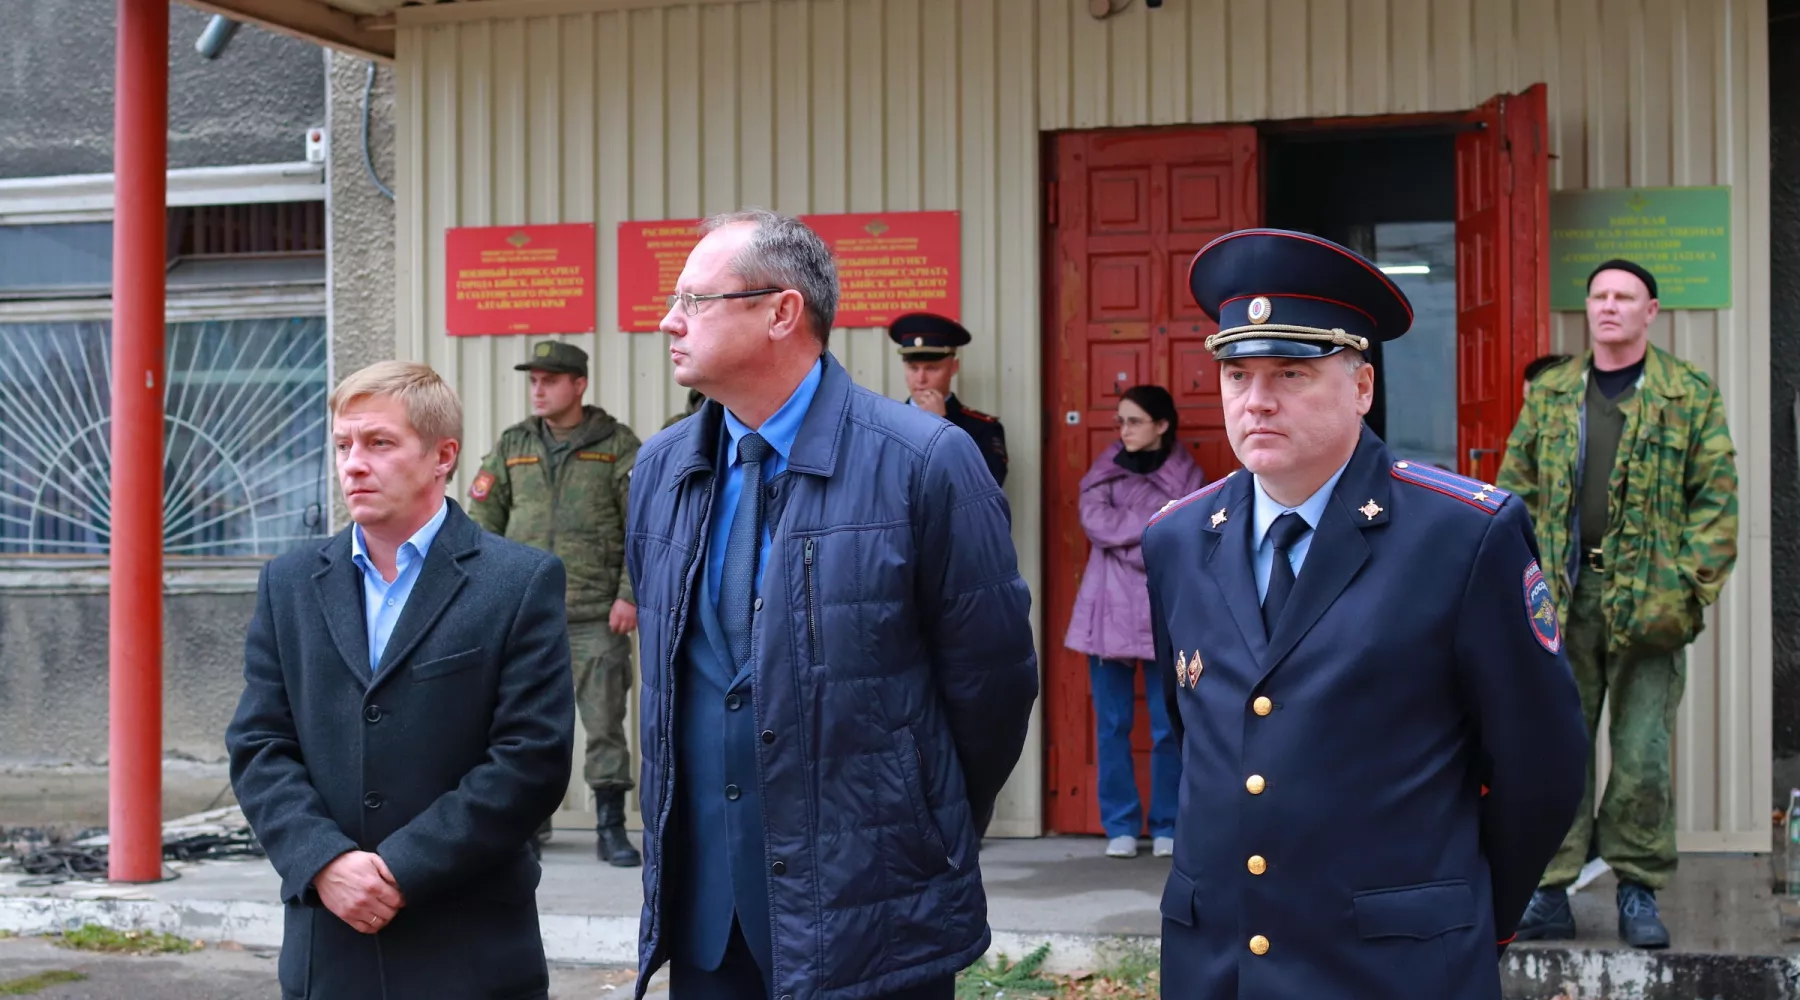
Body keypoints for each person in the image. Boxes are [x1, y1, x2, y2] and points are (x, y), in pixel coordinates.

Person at [1143, 229, 1588, 999]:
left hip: (1393, 967)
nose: (1257, 401)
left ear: (1361, 387)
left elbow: (1540, 768)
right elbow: (1198, 738)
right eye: (1238, 374)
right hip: (1219, 966)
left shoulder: (1464, 536)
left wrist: (1468, 913)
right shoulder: (1177, 539)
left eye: (1291, 373)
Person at [627, 209, 1039, 1000]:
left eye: (696, 300)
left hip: (871, 916)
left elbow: (991, 688)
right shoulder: (663, 468)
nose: (668, 320)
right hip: (709, 922)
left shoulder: (924, 461)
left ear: (782, 312)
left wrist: (920, 824)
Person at [226, 361, 575, 1000]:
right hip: (329, 949)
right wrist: (325, 862)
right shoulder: (290, 583)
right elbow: (259, 745)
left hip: (468, 946)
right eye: (342, 445)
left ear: (443, 456)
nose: (353, 464)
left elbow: (531, 759)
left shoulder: (517, 582)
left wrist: (399, 869)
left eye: (379, 443)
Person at [1500, 258, 1739, 949]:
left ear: (1650, 311)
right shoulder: (1550, 394)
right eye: (1599, 295)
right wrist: (1522, 586)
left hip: (1650, 602)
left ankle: (1637, 888)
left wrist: (1686, 592)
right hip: (1563, 599)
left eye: (1624, 297)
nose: (1609, 306)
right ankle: (1549, 891)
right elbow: (1516, 495)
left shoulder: (1687, 394)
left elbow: (1717, 503)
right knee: (1556, 747)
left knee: (1643, 753)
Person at [467, 339, 643, 868]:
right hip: (526, 617)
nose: (538, 390)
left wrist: (628, 595)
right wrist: (489, 595)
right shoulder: (513, 443)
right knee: (527, 726)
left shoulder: (617, 445)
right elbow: (484, 522)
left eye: (550, 380)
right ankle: (530, 825)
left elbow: (642, 528)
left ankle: (610, 827)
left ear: (578, 384)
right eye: (533, 380)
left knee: (605, 724)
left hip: (595, 614)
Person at [1063, 384, 1204, 860]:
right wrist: (1148, 525)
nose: (1123, 430)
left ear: (1162, 425)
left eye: (1134, 421)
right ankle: (1119, 824)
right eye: (1120, 421)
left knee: (1170, 727)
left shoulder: (1190, 475)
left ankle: (1167, 824)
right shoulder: (1102, 473)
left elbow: (1183, 534)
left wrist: (1131, 528)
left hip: (1164, 613)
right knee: (1113, 724)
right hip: (1107, 617)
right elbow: (1096, 523)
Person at [888, 313, 1009, 487]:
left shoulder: (983, 429)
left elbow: (986, 487)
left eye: (932, 369)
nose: (921, 379)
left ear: (953, 367)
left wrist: (942, 429)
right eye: (913, 368)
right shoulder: (886, 423)